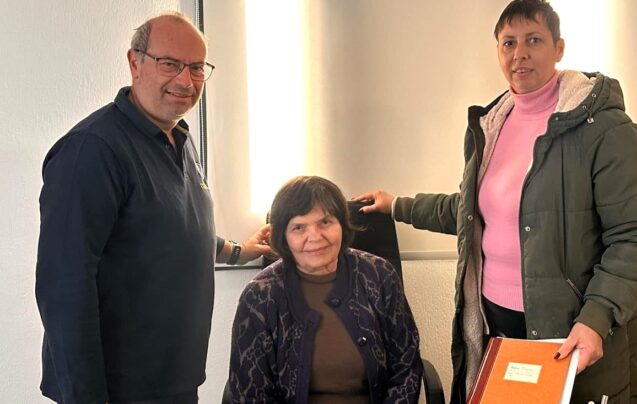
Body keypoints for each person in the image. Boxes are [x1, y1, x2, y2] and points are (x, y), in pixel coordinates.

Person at [355, 1, 637, 403]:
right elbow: (470, 211)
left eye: (533, 40)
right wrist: (397, 205)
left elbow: (635, 236)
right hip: (495, 324)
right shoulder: (492, 124)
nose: (520, 54)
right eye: (508, 43)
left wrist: (596, 318)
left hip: (571, 327)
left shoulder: (604, 127)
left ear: (559, 47)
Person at [36, 12, 271, 404]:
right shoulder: (93, 149)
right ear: (135, 62)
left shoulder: (179, 138)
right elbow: (64, 286)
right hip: (119, 389)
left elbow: (172, 228)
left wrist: (237, 251)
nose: (186, 81)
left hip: (174, 378)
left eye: (196, 68)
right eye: (170, 64)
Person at [222, 176, 422, 403]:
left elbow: (406, 368)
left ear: (342, 225)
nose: (315, 237)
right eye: (299, 227)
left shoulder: (379, 275)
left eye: (325, 222)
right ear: (283, 237)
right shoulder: (259, 296)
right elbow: (251, 394)